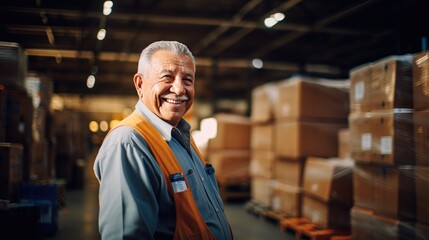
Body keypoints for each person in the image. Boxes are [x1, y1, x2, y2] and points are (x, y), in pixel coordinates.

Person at [93, 40, 233, 240]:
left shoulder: (180, 135)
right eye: (167, 77)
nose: (179, 89)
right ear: (140, 84)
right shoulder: (129, 143)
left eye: (188, 80)